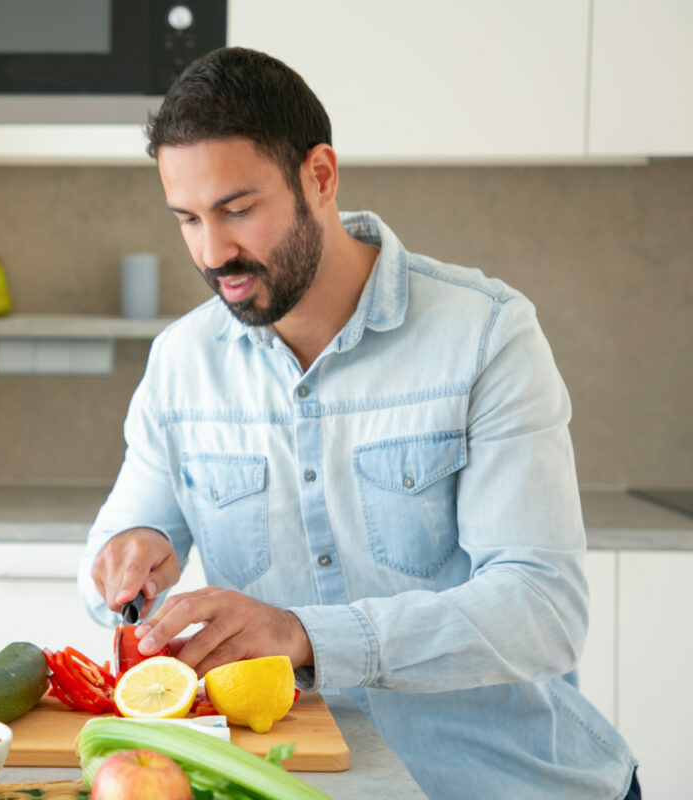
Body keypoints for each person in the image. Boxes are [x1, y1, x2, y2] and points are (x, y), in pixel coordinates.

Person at [77, 47, 639, 799]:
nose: (214, 253)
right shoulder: (183, 364)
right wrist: (127, 556)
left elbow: (543, 610)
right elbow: (113, 559)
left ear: (320, 176)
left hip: (508, 782)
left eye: (238, 209)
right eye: (188, 219)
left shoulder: (485, 335)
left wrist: (307, 635)